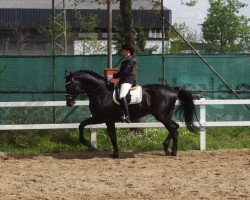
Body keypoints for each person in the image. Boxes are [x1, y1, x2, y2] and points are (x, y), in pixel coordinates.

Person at [107, 44, 137, 123]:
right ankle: (120, 113)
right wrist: (113, 77)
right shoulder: (125, 60)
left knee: (122, 95)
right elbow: (120, 72)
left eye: (123, 51)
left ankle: (127, 116)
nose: (122, 52)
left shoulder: (130, 60)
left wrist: (113, 76)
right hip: (123, 80)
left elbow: (125, 72)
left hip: (128, 80)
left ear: (128, 51)